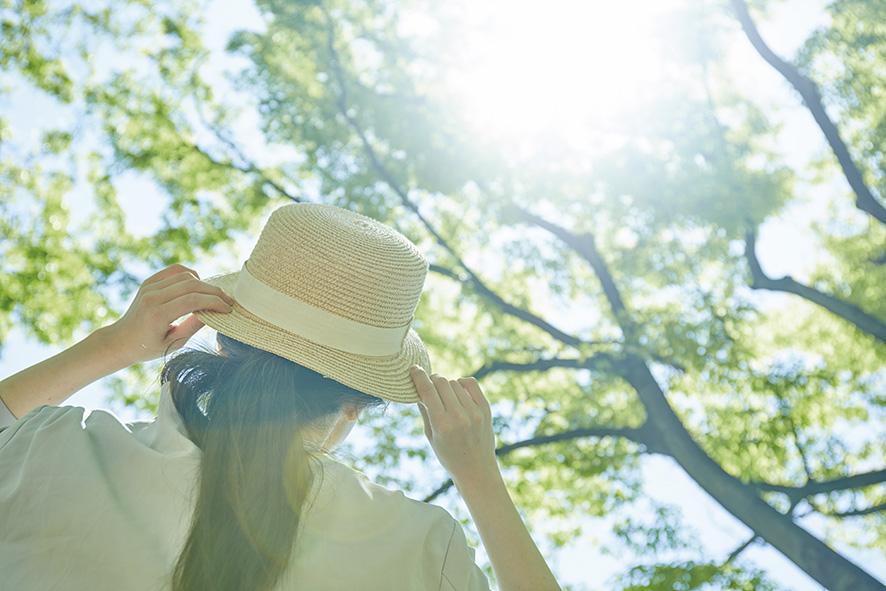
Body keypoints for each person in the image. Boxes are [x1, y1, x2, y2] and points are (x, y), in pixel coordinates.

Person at [0, 202, 562, 591]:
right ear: (354, 404)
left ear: (224, 344)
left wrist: (110, 346)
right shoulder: (419, 546)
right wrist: (480, 479)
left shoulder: (55, 450)